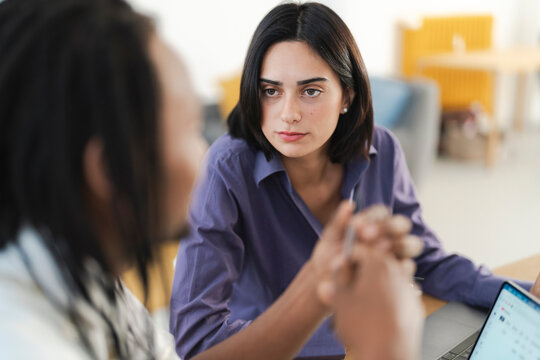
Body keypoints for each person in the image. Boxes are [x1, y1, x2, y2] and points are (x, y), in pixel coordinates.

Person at [0, 0, 428, 359]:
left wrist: (319, 283)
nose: (207, 153)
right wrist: (382, 348)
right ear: (111, 169)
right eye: (188, 130)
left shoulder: (87, 283)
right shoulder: (31, 343)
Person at [169, 2, 540, 359]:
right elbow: (197, 338)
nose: (289, 114)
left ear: (347, 94)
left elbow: (426, 260)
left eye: (310, 91)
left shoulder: (381, 150)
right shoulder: (226, 167)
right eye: (271, 91)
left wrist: (522, 297)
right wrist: (354, 336)